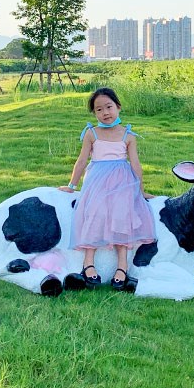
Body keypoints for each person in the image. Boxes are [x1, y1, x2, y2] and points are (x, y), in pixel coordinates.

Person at [59, 87, 156, 290]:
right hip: (97, 180)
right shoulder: (91, 133)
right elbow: (82, 160)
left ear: (118, 107)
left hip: (122, 180)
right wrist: (72, 185)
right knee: (95, 212)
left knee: (122, 215)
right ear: (95, 114)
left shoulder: (128, 135)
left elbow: (136, 164)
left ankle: (122, 266)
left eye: (109, 107)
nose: (105, 113)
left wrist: (140, 190)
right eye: (99, 110)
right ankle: (88, 262)